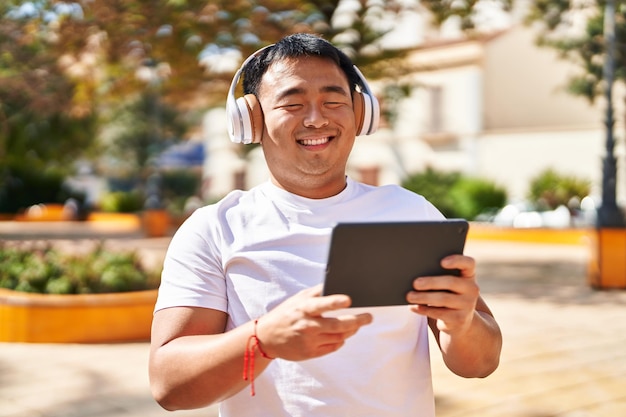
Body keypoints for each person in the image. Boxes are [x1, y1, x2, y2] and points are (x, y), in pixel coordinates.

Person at [149, 33, 502, 417]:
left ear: (360, 113)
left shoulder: (410, 212)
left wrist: (462, 323)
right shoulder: (214, 229)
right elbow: (169, 386)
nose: (317, 118)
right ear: (250, 119)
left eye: (334, 101)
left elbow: (480, 364)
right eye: (293, 103)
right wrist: (263, 339)